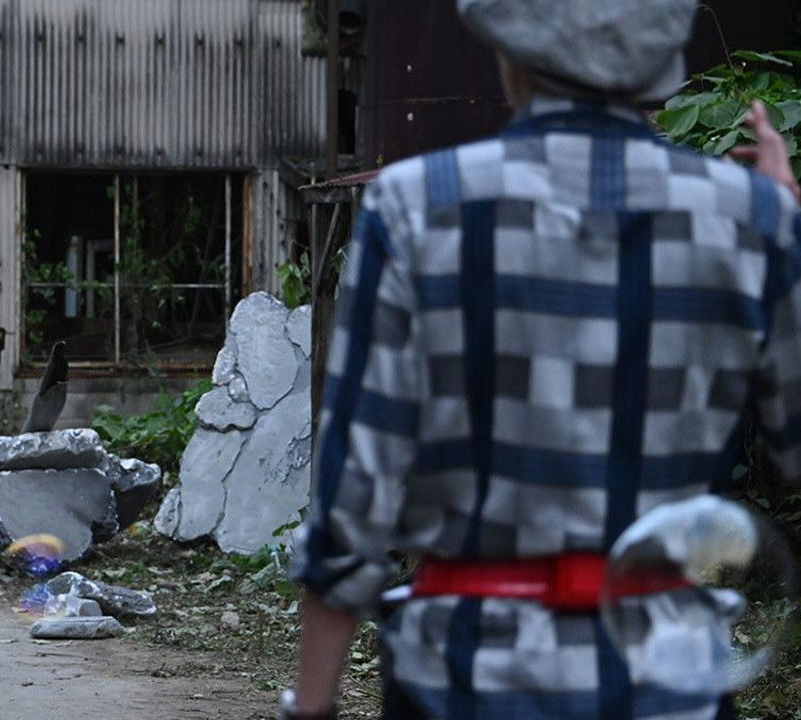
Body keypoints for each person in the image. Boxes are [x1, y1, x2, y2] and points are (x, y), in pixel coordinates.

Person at [283, 2, 801, 719]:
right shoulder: (754, 219)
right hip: (667, 685)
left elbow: (354, 496)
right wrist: (783, 230)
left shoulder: (415, 206)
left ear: (510, 48)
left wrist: (310, 706)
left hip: (464, 681)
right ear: (660, 52)